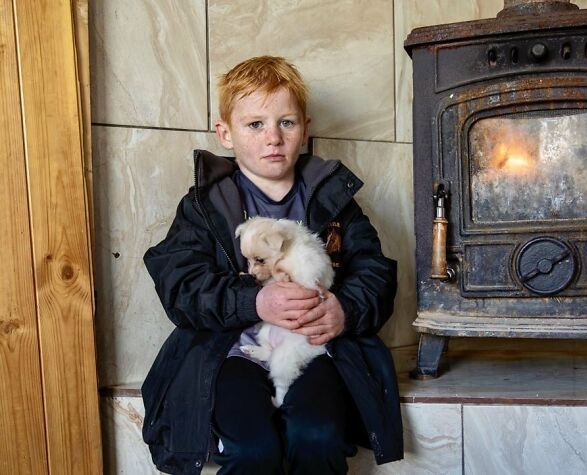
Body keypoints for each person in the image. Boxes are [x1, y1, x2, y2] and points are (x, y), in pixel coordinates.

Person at [141, 56, 402, 474]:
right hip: (228, 352)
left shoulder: (335, 200)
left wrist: (345, 309)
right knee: (251, 449)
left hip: (316, 349)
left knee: (317, 435)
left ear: (306, 128)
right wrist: (254, 302)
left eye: (286, 122)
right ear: (225, 134)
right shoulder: (203, 206)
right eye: (255, 124)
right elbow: (180, 285)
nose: (273, 138)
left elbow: (374, 272)